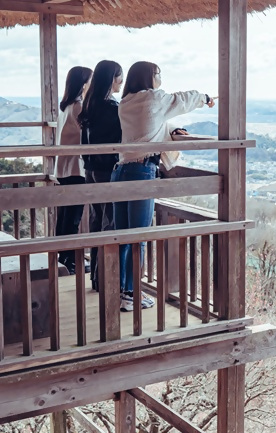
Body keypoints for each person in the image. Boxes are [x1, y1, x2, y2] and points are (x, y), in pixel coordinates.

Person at [112, 61, 214, 312]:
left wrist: (169, 128)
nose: (161, 78)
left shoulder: (126, 102)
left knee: (123, 237)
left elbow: (148, 124)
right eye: (158, 74)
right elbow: (182, 100)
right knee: (140, 237)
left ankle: (121, 292)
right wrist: (206, 97)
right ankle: (131, 295)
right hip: (141, 172)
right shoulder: (154, 99)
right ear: (149, 77)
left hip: (121, 170)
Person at [78, 60, 123, 292]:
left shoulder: (89, 105)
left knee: (97, 221)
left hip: (90, 169)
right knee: (109, 223)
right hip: (107, 170)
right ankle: (105, 279)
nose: (122, 82)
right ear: (112, 79)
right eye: (120, 77)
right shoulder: (113, 109)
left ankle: (96, 277)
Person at [55, 66, 92, 275]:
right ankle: (69, 261)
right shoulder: (79, 107)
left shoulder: (67, 107)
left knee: (65, 215)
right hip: (76, 168)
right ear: (84, 83)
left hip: (64, 167)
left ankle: (63, 258)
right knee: (73, 216)